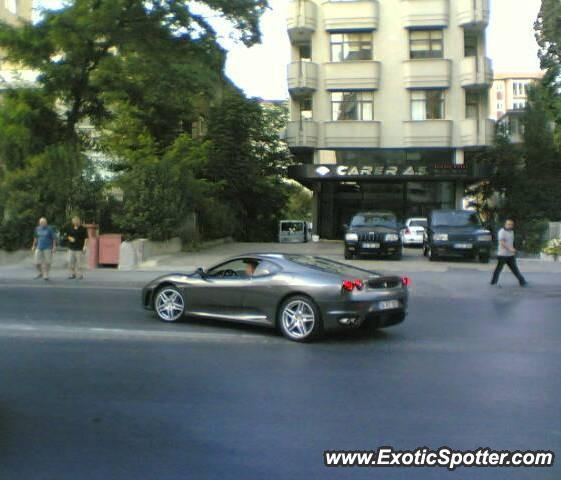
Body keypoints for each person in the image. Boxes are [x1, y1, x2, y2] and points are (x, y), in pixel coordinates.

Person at [490, 219, 527, 287]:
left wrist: (513, 249)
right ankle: (493, 282)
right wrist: (510, 249)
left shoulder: (511, 232)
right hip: (502, 254)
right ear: (505, 224)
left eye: (511, 224)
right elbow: (502, 242)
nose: (510, 226)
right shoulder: (502, 231)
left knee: (515, 269)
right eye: (508, 224)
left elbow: (511, 242)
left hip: (510, 255)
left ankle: (522, 281)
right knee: (498, 269)